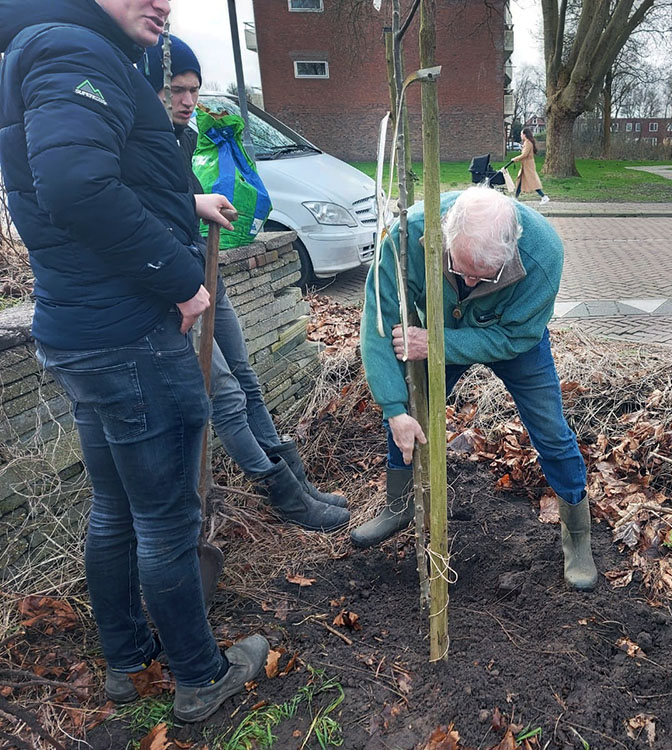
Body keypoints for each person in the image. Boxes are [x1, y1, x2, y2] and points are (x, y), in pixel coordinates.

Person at [0, 0, 268, 723]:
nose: (162, 2)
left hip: (83, 327)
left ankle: (126, 660)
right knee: (166, 519)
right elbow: (77, 188)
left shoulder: (52, 46)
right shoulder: (73, 53)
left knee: (116, 509)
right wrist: (179, 280)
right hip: (130, 337)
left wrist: (188, 198)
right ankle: (199, 675)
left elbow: (103, 171)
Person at [139, 35, 349, 532]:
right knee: (226, 394)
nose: (188, 101)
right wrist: (194, 204)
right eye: (176, 90)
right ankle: (280, 493)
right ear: (153, 90)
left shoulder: (185, 137)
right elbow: (136, 208)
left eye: (193, 90)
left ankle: (292, 479)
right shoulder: (138, 138)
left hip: (205, 270)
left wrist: (203, 200)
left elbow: (179, 195)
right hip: (174, 288)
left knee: (246, 377)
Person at [353, 186, 597, 590]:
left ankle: (577, 536)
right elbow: (378, 321)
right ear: (444, 237)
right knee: (412, 409)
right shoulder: (406, 235)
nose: (467, 281)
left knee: (552, 433)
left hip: (510, 340)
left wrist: (435, 342)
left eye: (483, 276)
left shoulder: (543, 253)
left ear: (511, 251)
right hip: (438, 327)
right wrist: (393, 408)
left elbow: (515, 338)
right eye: (460, 269)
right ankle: (399, 505)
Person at [511, 128, 549, 205]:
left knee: (533, 181)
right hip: (526, 165)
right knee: (520, 180)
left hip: (528, 166)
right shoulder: (527, 143)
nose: (520, 136)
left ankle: (544, 197)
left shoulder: (528, 143)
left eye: (521, 134)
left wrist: (515, 159)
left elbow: (524, 155)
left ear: (525, 134)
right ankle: (515, 198)